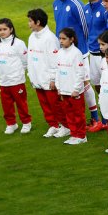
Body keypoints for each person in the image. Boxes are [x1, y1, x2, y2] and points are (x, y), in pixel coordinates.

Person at [53, 0, 99, 130]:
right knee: (68, 83)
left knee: (84, 84)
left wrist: (81, 47)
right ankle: (74, 117)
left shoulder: (76, 4)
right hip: (64, 51)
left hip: (80, 52)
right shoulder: (55, 4)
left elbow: (85, 27)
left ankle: (95, 118)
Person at [26, 8, 67, 138]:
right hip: (37, 78)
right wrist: (31, 75)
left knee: (55, 105)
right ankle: (53, 125)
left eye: (30, 21)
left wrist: (53, 78)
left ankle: (65, 126)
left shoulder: (50, 39)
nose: (28, 23)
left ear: (37, 22)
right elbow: (30, 58)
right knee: (45, 105)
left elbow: (55, 61)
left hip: (49, 80)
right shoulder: (32, 37)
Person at [0, 18, 32, 134]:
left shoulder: (19, 43)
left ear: (11, 29)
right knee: (6, 105)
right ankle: (11, 124)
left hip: (16, 81)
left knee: (21, 103)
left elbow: (26, 61)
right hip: (3, 81)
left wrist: (20, 73)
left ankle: (26, 123)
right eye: (0, 29)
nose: (2, 32)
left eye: (5, 29)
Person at [55, 28, 87, 145]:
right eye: (60, 39)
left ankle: (81, 135)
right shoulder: (59, 53)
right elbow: (58, 71)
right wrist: (59, 87)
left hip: (74, 91)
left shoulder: (76, 53)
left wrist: (76, 90)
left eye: (64, 39)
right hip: (64, 90)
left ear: (71, 39)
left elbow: (80, 73)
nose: (61, 41)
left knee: (78, 114)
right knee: (69, 114)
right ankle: (74, 134)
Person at [84, 0, 107, 132]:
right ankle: (102, 119)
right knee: (98, 86)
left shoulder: (105, 9)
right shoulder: (86, 9)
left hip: (104, 55)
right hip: (92, 53)